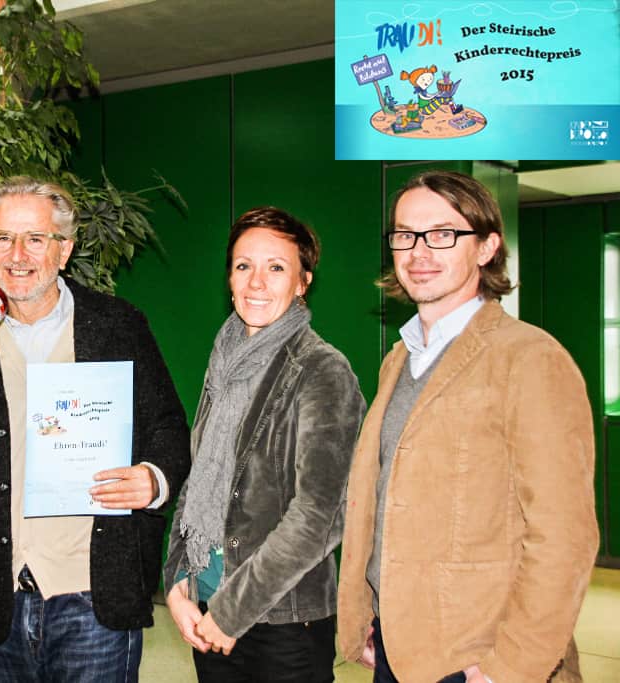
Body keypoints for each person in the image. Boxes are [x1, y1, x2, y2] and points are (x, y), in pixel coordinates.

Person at [0, 176, 190, 682]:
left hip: (95, 595)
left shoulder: (118, 325)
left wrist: (153, 479)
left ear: (63, 250)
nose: (17, 255)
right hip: (3, 597)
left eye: (35, 239)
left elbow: (168, 428)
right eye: (4, 238)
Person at [337, 170, 598, 683]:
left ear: (486, 247)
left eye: (442, 233)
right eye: (405, 235)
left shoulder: (529, 358)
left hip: (478, 657)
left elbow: (564, 537)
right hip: (396, 645)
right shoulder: (399, 360)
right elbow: (385, 502)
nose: (419, 251)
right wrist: (368, 613)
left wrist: (511, 666)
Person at [162, 207, 366, 682]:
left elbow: (319, 515)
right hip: (207, 603)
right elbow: (199, 476)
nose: (256, 282)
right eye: (243, 266)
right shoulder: (225, 361)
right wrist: (177, 581)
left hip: (283, 624)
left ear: (302, 282)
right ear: (229, 278)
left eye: (276, 267)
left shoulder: (322, 371)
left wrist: (232, 611)